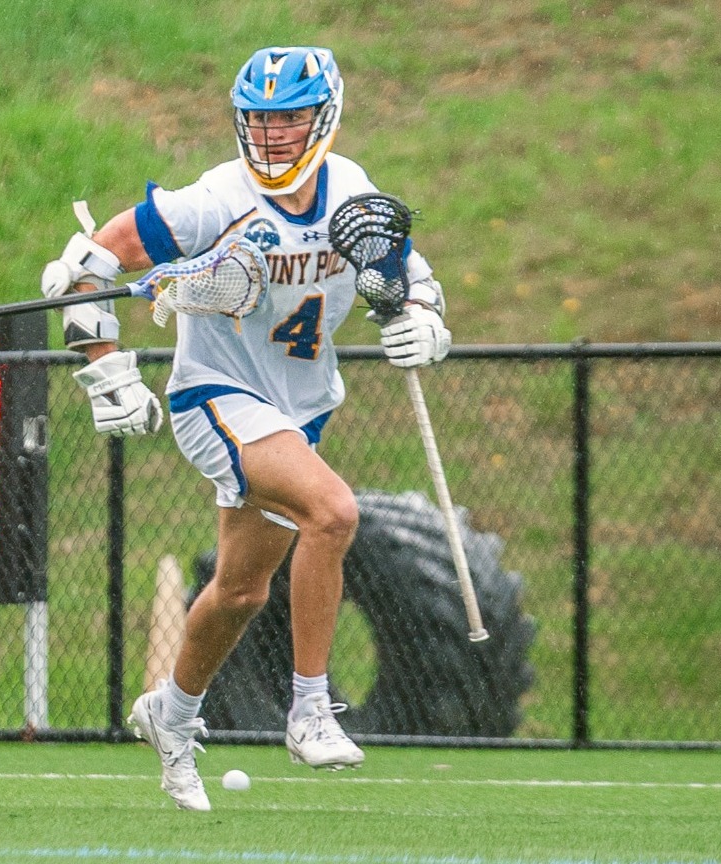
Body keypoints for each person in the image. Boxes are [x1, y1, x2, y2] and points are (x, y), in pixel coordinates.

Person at [41, 46, 451, 811]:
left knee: (239, 592)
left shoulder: (350, 190)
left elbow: (405, 271)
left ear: (324, 118)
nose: (273, 134)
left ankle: (170, 714)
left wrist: (421, 318)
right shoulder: (213, 200)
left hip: (301, 407)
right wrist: (108, 371)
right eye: (260, 120)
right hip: (217, 396)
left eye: (290, 118)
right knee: (333, 513)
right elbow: (86, 264)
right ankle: (311, 709)